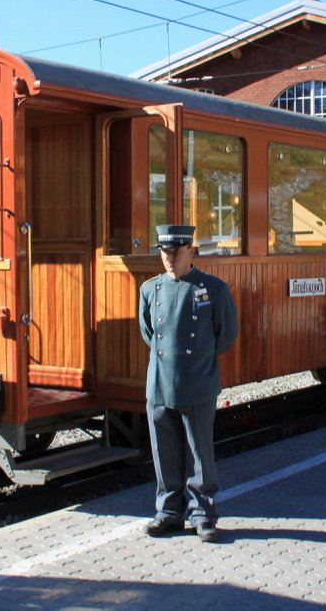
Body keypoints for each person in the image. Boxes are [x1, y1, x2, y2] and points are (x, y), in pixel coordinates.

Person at [138, 224, 239, 543]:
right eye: (164, 252)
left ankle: (202, 514)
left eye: (176, 252)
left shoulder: (214, 288)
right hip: (160, 383)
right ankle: (168, 512)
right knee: (164, 452)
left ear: (190, 251)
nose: (169, 258)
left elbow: (226, 334)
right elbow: (148, 334)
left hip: (197, 381)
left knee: (199, 453)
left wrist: (197, 359)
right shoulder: (149, 290)